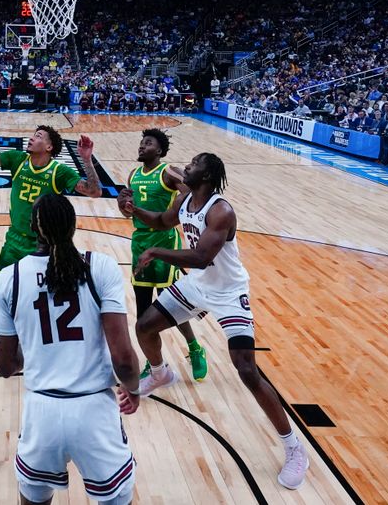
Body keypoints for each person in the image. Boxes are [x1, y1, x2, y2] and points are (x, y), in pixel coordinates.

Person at [117, 153, 309, 490]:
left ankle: (295, 448)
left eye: (193, 165)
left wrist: (156, 253)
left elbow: (203, 257)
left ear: (207, 176)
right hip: (197, 285)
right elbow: (162, 222)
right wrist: (135, 211)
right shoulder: (186, 197)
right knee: (144, 326)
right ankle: (161, 373)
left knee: (247, 369)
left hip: (228, 292)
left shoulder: (221, 210)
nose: (186, 167)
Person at [0, 193, 140, 505]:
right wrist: (135, 389)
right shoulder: (100, 267)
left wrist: (35, 352)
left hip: (41, 412)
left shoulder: (10, 279)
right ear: (73, 226)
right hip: (94, 413)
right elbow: (125, 360)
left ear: (34, 227)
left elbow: (5, 366)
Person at [0, 108, 102, 374]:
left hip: (44, 247)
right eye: (33, 135)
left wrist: (86, 160)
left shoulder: (58, 171)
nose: (31, 138)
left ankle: (49, 346)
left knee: (47, 299)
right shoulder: (19, 159)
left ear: (50, 146)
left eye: (38, 136)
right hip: (14, 242)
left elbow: (95, 192)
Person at [125, 129, 207, 382]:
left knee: (171, 305)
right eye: (141, 143)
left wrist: (176, 214)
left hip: (164, 243)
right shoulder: (133, 175)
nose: (142, 146)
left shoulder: (168, 172)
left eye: (147, 143)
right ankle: (153, 362)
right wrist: (125, 207)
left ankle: (194, 348)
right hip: (139, 242)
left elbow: (192, 194)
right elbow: (129, 213)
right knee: (142, 312)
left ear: (159, 150)